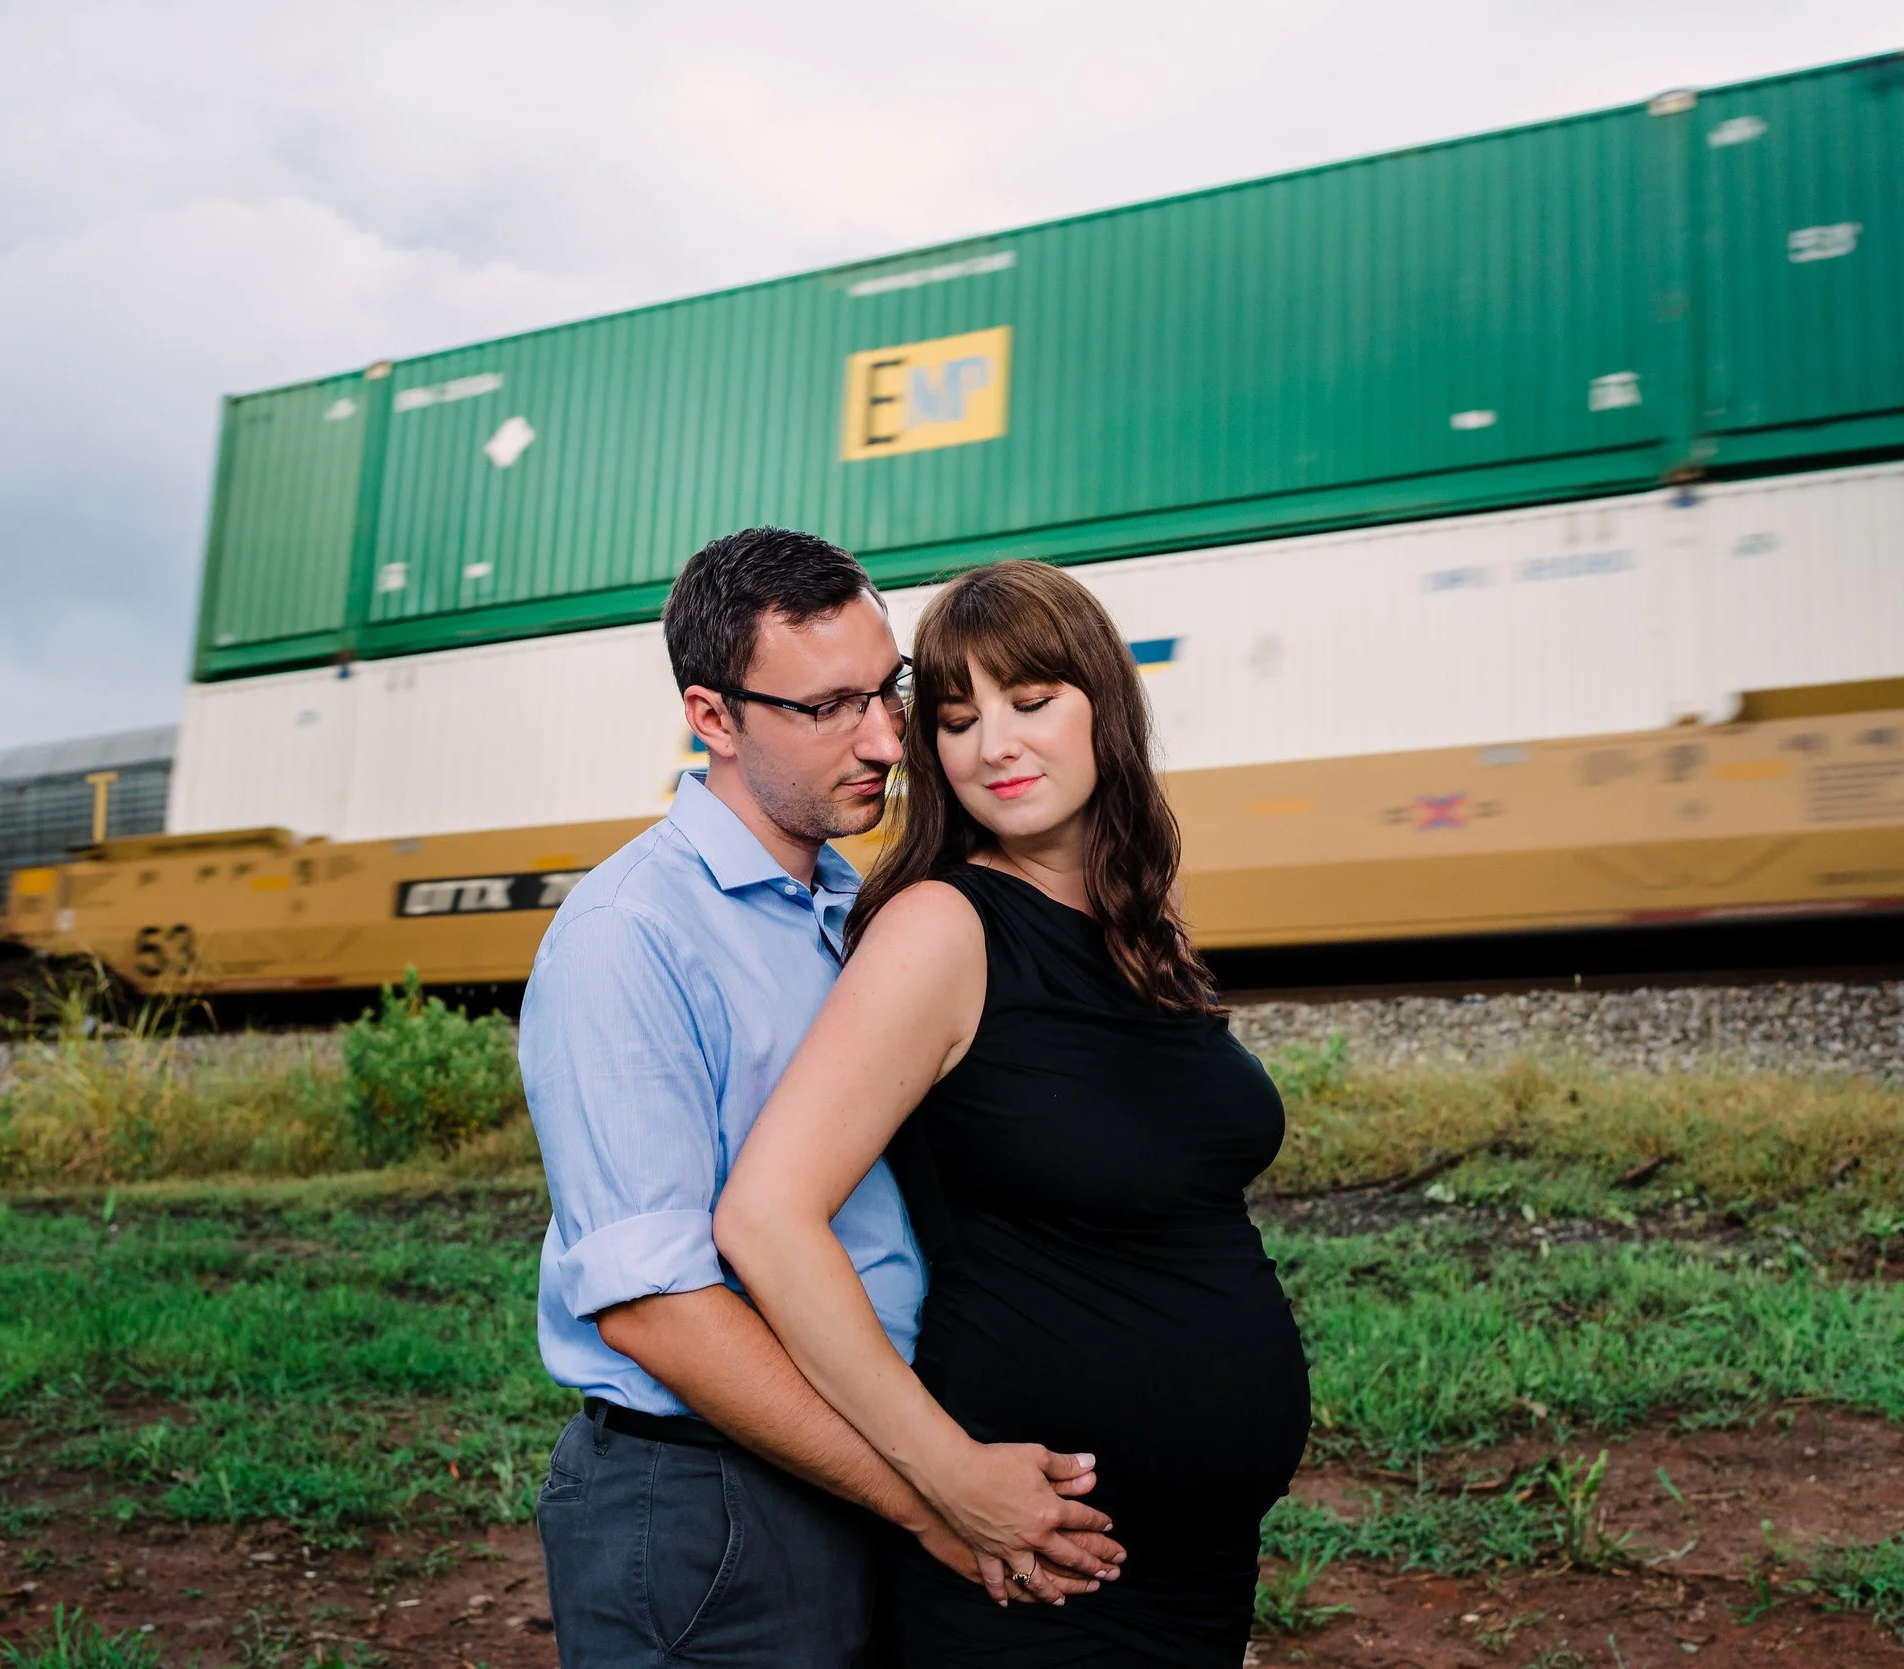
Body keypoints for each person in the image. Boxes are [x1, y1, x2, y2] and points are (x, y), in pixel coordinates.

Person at [523, 529, 1122, 1669]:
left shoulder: (851, 906)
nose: (888, 739)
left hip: (858, 1464)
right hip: (713, 1503)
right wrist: (931, 1490)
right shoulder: (628, 935)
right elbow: (654, 1304)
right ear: (713, 716)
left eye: (888, 690)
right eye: (831, 707)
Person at [716, 558, 1312, 1667]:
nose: (993, 745)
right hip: (1031, 1574)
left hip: (1199, 1569)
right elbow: (765, 1217)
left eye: (1030, 701)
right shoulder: (944, 926)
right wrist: (944, 1472)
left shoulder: (1139, 924)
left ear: (1104, 704)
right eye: (956, 720)